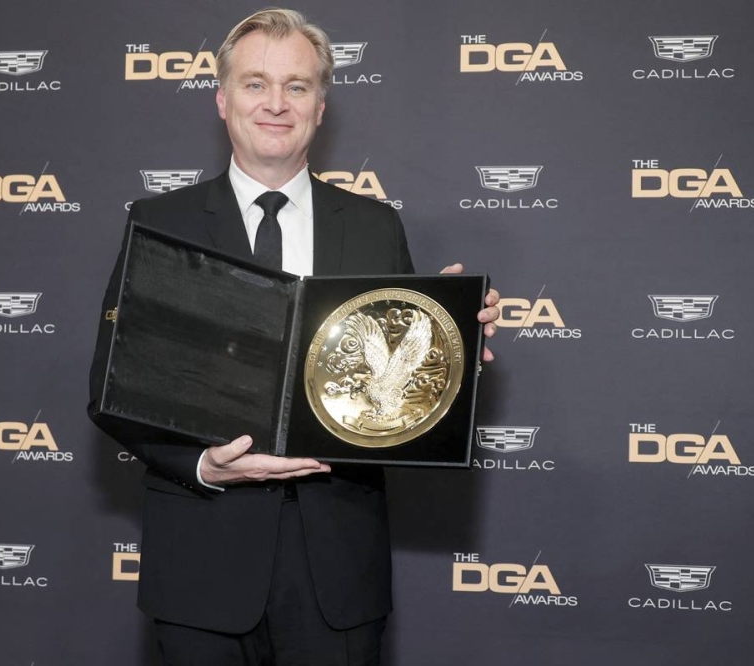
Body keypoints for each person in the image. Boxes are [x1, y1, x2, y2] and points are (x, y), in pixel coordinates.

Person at [88, 9, 500, 665]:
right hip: (201, 569)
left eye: (297, 86)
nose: (276, 103)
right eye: (255, 84)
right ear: (223, 100)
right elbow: (111, 390)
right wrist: (202, 465)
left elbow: (395, 401)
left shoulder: (374, 227)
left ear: (320, 106)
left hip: (337, 573)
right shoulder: (159, 220)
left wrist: (454, 353)